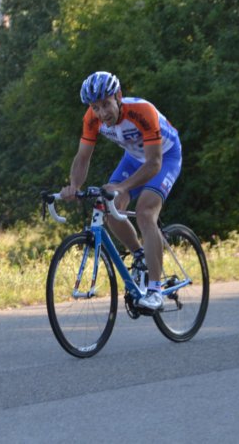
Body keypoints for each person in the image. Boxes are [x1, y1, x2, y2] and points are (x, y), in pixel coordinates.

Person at [60, 71, 181, 310]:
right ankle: (140, 256)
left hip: (165, 157)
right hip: (134, 158)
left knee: (145, 213)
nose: (102, 113)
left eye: (106, 104)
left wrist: (122, 186)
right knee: (110, 208)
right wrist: (74, 186)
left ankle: (155, 290)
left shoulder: (142, 111)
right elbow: (82, 157)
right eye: (95, 107)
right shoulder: (92, 118)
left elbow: (154, 163)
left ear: (118, 96)